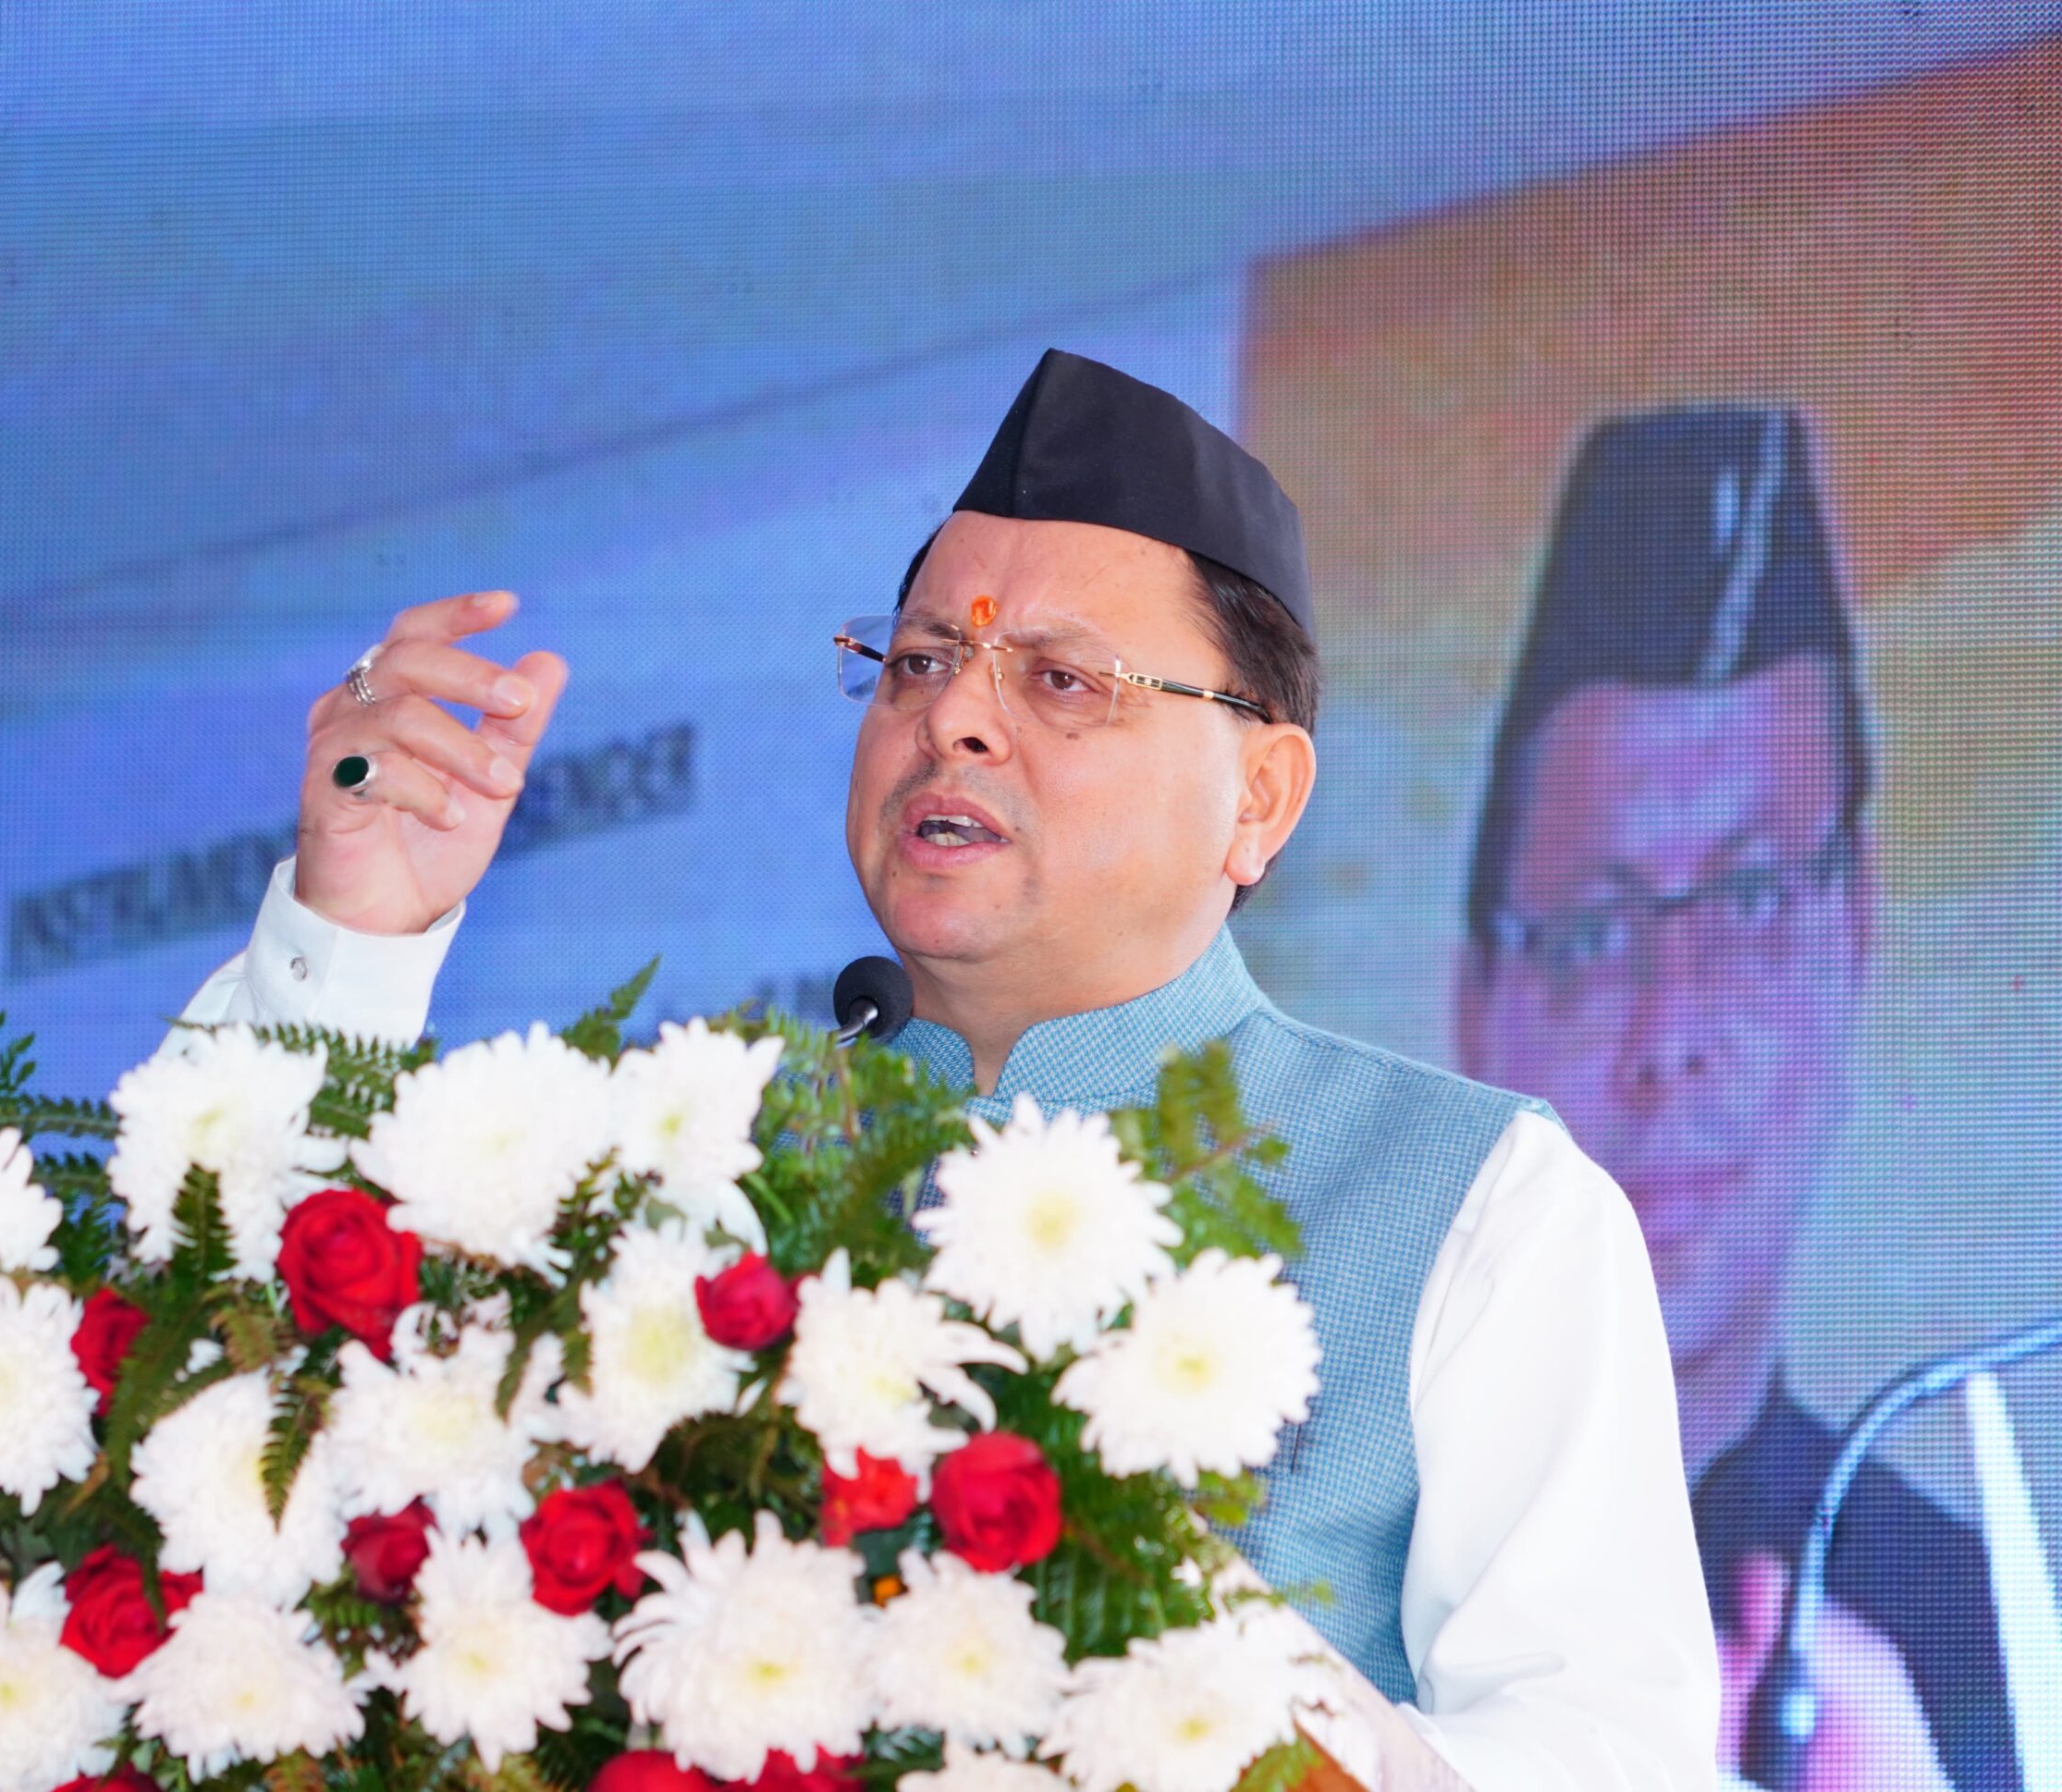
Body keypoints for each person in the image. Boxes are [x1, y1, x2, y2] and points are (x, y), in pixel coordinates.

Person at [183, 349, 1718, 1790]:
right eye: (918, 660)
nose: (953, 718)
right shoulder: (679, 1155)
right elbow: (237, 1442)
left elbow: (1602, 1762)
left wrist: (1172, 1651)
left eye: (1062, 680)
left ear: (1259, 795)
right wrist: (351, 934)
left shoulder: (1475, 1202)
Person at [1454, 408, 2018, 1792]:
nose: (1674, 1033)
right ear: (1479, 998)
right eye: (1593, 931)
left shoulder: (1971, 1623)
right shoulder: (1326, 1541)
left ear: (1856, 931)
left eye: (1753, 901)